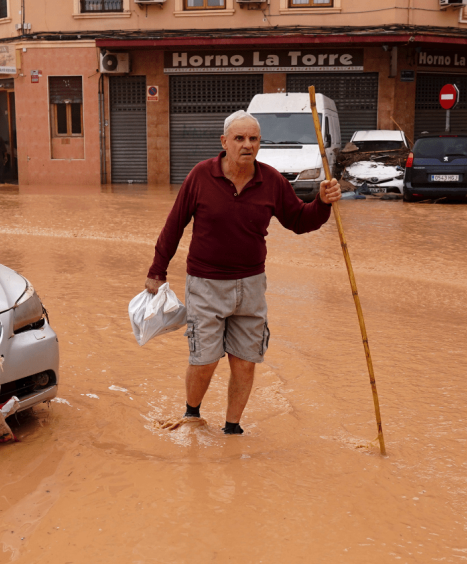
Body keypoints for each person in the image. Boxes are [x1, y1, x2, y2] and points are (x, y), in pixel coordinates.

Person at [145, 110, 341, 435]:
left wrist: (321, 203)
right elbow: (174, 224)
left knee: (245, 361)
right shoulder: (200, 176)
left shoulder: (272, 181)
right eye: (239, 138)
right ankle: (192, 413)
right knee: (204, 359)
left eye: (253, 139)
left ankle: (232, 429)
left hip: (251, 286)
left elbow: (299, 221)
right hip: (205, 285)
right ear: (224, 142)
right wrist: (157, 271)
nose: (247, 145)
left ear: (260, 143)